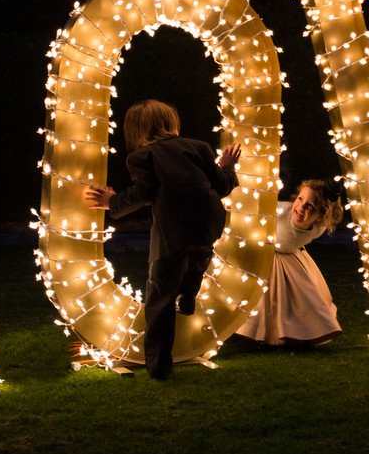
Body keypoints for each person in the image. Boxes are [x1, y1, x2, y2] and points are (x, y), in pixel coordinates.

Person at [84, 99, 241, 379]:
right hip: (210, 224)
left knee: (160, 297)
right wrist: (227, 166)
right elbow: (223, 186)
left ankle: (158, 366)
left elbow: (143, 192)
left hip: (173, 233)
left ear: (135, 131)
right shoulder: (199, 147)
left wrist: (112, 202)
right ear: (172, 123)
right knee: (197, 258)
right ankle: (190, 294)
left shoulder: (142, 157)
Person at [237, 178, 344, 346]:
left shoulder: (318, 228)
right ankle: (241, 324)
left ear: (320, 216)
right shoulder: (282, 210)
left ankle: (271, 331)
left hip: (283, 257)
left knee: (281, 299)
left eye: (310, 207)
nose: (300, 208)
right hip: (267, 249)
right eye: (300, 199)